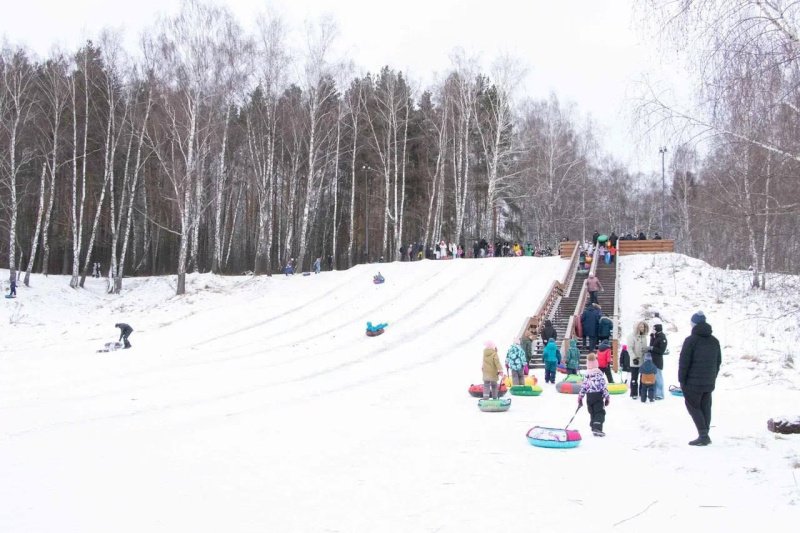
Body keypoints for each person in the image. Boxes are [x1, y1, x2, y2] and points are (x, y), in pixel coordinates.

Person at [679, 311, 722, 446]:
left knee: (692, 406)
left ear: (693, 324)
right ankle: (705, 433)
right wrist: (712, 377)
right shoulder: (714, 341)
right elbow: (718, 362)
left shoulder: (691, 340)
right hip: (709, 381)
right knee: (705, 406)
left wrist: (682, 380)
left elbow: (684, 362)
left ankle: (703, 435)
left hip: (692, 382)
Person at [578, 353, 611, 437]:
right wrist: (607, 397)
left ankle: (593, 426)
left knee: (592, 412)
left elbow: (583, 387)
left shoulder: (586, 375)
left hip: (589, 397)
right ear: (596, 363)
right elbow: (603, 387)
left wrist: (580, 397)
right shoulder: (599, 374)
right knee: (599, 412)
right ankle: (597, 428)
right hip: (598, 396)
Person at [627, 321, 650, 399]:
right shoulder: (631, 336)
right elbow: (629, 348)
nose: (642, 328)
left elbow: (645, 348)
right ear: (637, 328)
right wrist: (634, 358)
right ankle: (634, 393)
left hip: (643, 361)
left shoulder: (644, 337)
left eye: (643, 327)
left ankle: (641, 392)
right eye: (640, 327)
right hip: (635, 361)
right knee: (634, 378)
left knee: (642, 378)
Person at [650, 322, 668, 399]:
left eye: (653, 329)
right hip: (652, 359)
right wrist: (652, 337)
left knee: (658, 377)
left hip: (658, 361)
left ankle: (660, 394)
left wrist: (652, 348)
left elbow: (661, 350)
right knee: (653, 377)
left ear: (657, 329)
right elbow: (651, 346)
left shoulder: (662, 338)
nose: (652, 330)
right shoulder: (655, 337)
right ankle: (654, 393)